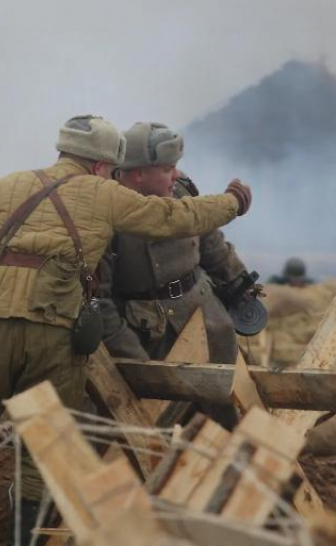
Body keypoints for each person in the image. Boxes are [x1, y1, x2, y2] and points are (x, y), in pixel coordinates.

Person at [0, 115, 251, 546]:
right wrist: (233, 202)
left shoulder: (1, 188)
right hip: (53, 339)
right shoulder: (103, 194)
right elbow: (172, 219)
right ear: (100, 166)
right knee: (44, 450)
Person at [100, 122, 256, 430]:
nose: (176, 175)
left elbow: (210, 241)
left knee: (225, 410)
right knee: (149, 420)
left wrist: (238, 281)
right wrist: (136, 364)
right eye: (167, 169)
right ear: (137, 173)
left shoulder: (182, 190)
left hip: (205, 317)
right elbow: (100, 300)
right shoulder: (106, 213)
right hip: (146, 334)